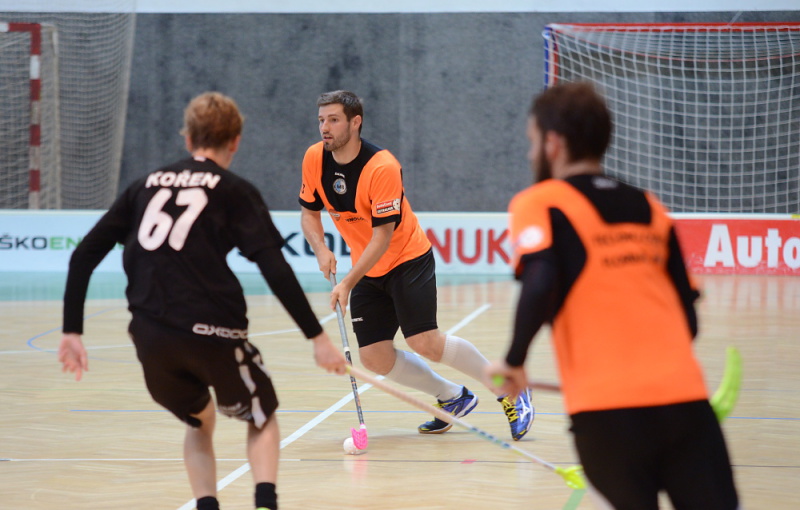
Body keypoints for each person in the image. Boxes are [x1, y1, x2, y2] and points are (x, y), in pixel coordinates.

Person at [58, 92, 347, 510]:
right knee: (261, 415)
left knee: (200, 419)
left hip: (151, 336)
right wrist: (317, 338)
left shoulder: (145, 185)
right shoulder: (234, 190)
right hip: (214, 332)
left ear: (187, 136)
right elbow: (275, 269)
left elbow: (84, 254)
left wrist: (72, 330)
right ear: (236, 141)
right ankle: (265, 503)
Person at [486, 82, 739, 509]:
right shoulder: (650, 206)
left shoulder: (540, 202)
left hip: (606, 415)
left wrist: (514, 362)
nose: (531, 155)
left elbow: (541, 280)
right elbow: (688, 321)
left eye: (532, 143)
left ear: (553, 143)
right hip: (686, 407)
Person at [298, 89, 533, 441]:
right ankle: (451, 397)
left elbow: (382, 237)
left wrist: (346, 282)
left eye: (333, 120)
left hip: (407, 259)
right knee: (374, 358)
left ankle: (508, 389)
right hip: (367, 267)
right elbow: (309, 213)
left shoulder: (382, 167)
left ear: (355, 122)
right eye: (321, 120)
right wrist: (319, 249)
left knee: (425, 342)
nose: (324, 128)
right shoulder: (315, 159)